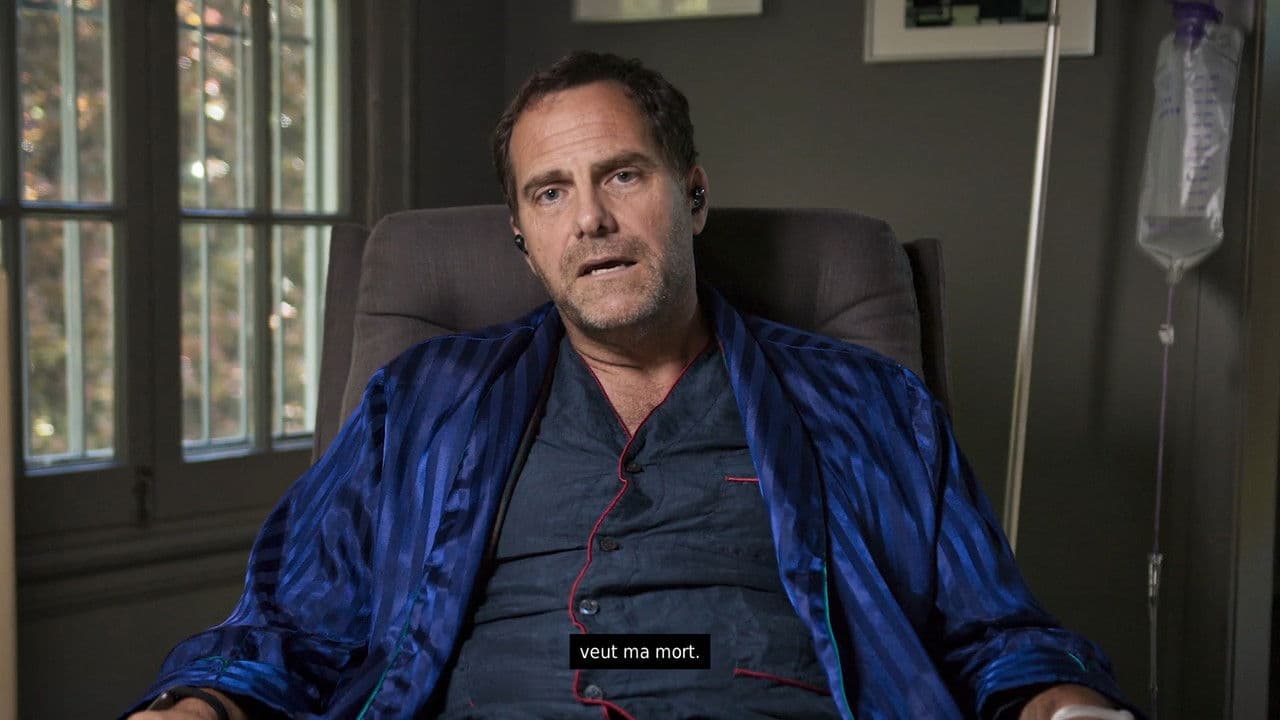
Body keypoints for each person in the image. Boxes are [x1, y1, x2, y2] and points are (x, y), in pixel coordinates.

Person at [126, 51, 1139, 720]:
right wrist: (197, 706)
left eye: (622, 174)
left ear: (691, 195)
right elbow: (291, 625)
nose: (590, 220)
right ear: (523, 240)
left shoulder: (867, 408)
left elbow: (990, 634)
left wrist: (1065, 704)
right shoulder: (421, 404)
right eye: (550, 193)